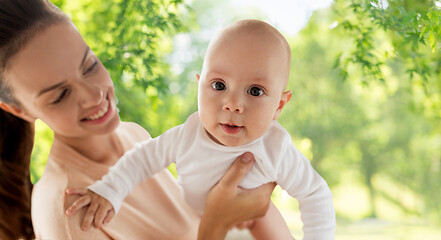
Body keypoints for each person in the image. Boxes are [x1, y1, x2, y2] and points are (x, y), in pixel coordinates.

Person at [0, 0, 277, 239]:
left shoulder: (133, 135)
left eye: (90, 65)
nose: (94, 95)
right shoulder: (69, 211)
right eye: (61, 95)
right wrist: (220, 221)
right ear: (19, 110)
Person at [67, 19, 336, 239]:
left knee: (266, 219)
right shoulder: (187, 135)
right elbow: (141, 159)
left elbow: (314, 193)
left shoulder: (275, 147)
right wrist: (109, 191)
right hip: (191, 226)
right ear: (199, 86)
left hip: (252, 227)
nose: (233, 104)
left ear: (279, 105)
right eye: (219, 85)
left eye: (255, 91)